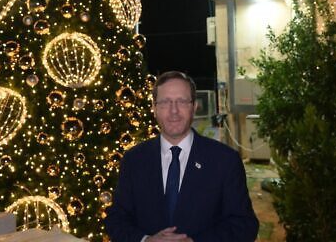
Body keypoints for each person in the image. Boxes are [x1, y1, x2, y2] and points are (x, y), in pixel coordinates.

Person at [104, 71, 259, 242]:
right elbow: (116, 219)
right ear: (154, 108)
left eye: (182, 101)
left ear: (194, 107)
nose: (174, 111)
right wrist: (146, 240)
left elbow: (244, 225)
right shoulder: (134, 160)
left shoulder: (225, 160)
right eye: (165, 102)